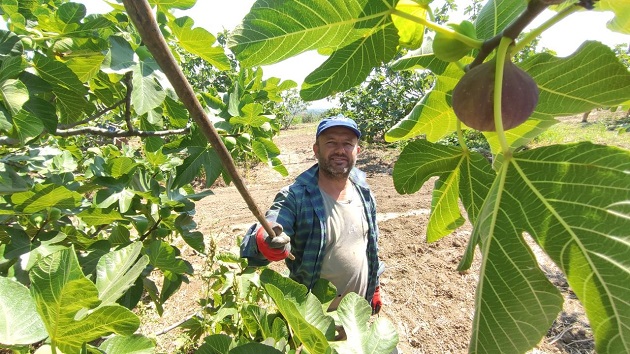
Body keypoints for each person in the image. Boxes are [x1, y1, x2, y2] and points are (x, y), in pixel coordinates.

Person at [240, 115, 384, 315]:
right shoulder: (295, 196)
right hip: (314, 318)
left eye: (348, 144)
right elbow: (274, 223)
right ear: (316, 150)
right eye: (331, 143)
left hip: (356, 315)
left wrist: (375, 286)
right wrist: (265, 240)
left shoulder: (364, 192)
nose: (340, 150)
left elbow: (371, 246)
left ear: (357, 151)